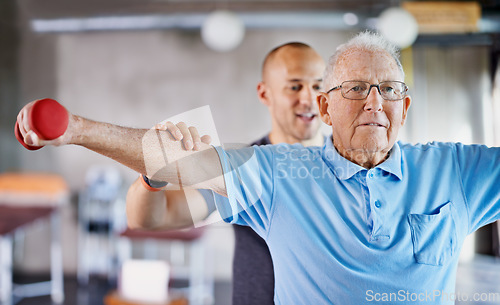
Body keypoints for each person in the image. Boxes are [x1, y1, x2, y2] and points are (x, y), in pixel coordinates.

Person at [16, 31, 500, 304]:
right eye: (354, 88)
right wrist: (74, 129)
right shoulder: (273, 169)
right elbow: (161, 190)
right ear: (326, 106)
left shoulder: (453, 169)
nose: (374, 102)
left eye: (389, 90)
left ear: (405, 104)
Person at [126, 42, 326, 305]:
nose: (309, 98)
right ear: (265, 94)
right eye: (294, 86)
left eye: (318, 86)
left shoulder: (349, 164)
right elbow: (152, 217)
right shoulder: (242, 167)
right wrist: (155, 171)